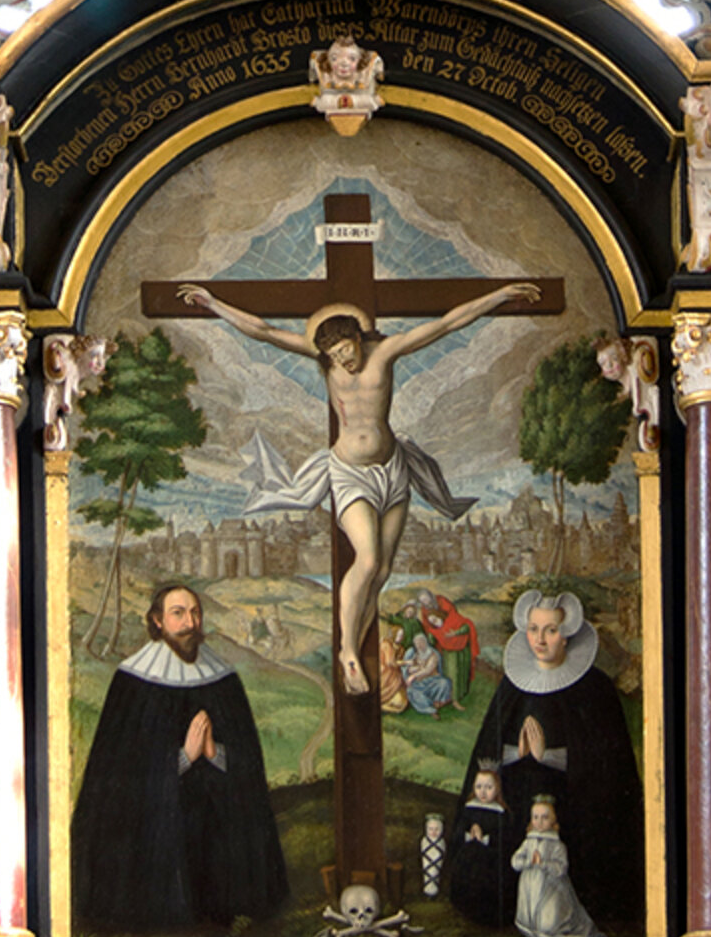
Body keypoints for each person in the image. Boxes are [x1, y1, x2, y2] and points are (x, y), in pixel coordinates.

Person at [179, 279, 539, 696]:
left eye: (345, 351)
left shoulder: (384, 352)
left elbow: (445, 324)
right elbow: (263, 330)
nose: (342, 361)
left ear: (357, 337)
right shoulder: (326, 359)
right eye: (333, 357)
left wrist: (499, 297)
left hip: (393, 471)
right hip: (350, 473)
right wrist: (214, 303)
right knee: (366, 561)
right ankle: (348, 651)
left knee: (382, 569)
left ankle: (356, 645)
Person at [69, 586, 288, 935]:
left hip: (215, 826)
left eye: (195, 612)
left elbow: (248, 764)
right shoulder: (133, 681)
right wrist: (183, 758)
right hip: (153, 829)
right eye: (178, 613)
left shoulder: (222, 678)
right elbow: (117, 774)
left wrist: (214, 753)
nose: (190, 622)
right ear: (157, 621)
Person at [458, 590, 643, 934]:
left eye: (550, 630)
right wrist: (519, 755)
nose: (540, 640)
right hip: (519, 811)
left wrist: (550, 757)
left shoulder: (595, 689)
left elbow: (607, 768)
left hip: (575, 816)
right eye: (533, 629)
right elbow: (489, 755)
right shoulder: (512, 687)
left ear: (567, 634)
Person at [513, 795, 597, 937]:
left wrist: (543, 864)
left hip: (551, 888)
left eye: (545, 817)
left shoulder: (557, 845)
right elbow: (515, 861)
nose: (539, 822)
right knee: (529, 917)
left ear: (553, 820)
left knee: (549, 924)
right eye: (536, 817)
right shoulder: (528, 842)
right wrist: (528, 862)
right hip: (530, 886)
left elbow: (561, 868)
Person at [448, 763, 511, 929]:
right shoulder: (469, 808)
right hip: (468, 854)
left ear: (497, 789)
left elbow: (503, 838)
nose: (483, 792)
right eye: (479, 787)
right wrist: (469, 833)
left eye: (488, 787)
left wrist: (485, 838)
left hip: (489, 859)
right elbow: (459, 830)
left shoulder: (500, 812)